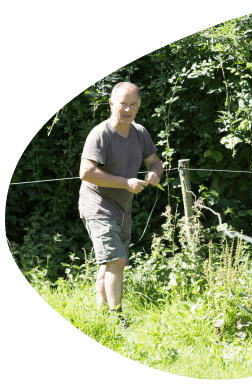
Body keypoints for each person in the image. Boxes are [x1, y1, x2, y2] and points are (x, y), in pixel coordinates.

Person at [79, 82, 163, 325]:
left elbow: (155, 162)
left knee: (109, 262)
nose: (128, 109)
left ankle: (101, 316)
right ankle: (118, 318)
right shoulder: (101, 134)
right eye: (123, 103)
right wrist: (126, 182)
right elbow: (86, 172)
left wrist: (154, 173)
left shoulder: (139, 132)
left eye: (133, 104)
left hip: (122, 208)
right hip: (97, 205)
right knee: (117, 260)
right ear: (112, 103)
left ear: (138, 108)